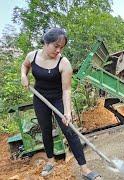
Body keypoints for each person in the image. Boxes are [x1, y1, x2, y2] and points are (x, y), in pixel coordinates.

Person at [21, 28, 101, 180]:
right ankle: (50, 161)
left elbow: (66, 90)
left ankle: (84, 169)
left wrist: (67, 112)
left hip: (58, 98)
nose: (58, 50)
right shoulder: (32, 56)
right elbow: (24, 66)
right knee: (45, 129)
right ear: (46, 42)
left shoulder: (64, 63)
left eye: (61, 47)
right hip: (40, 98)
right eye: (56, 46)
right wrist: (23, 76)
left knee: (69, 130)